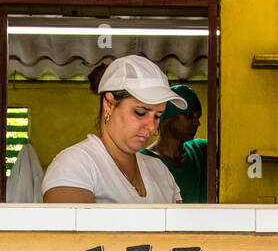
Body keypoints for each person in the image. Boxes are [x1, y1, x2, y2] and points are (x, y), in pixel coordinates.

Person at [42, 55, 186, 204]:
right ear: (109, 104)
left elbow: (182, 225)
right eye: (140, 113)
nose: (151, 126)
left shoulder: (159, 170)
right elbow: (69, 225)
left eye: (157, 116)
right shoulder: (76, 165)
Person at [141, 84, 208, 204]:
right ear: (165, 118)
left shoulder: (201, 150)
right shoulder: (142, 160)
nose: (197, 123)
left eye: (198, 117)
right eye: (189, 115)